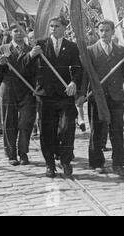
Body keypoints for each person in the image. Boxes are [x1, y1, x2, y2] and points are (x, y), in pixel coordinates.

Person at [25, 16, 83, 178]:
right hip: (45, 95)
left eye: (57, 26)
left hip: (65, 95)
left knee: (67, 128)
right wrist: (31, 55)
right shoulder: (40, 45)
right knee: (46, 130)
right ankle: (50, 164)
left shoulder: (71, 47)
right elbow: (26, 67)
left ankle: (65, 161)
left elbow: (78, 69)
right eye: (51, 26)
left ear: (64, 27)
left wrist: (74, 82)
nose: (53, 29)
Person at [77, 20, 124, 177]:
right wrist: (82, 94)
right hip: (98, 96)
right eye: (101, 30)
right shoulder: (90, 50)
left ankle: (119, 163)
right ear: (97, 31)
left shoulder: (120, 50)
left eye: (107, 30)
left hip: (116, 96)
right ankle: (97, 162)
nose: (104, 33)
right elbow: (85, 74)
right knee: (97, 130)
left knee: (117, 129)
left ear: (112, 31)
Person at [0, 24, 36, 166]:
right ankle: (11, 154)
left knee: (25, 122)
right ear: (10, 33)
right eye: (15, 31)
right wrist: (0, 63)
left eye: (21, 31)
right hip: (8, 88)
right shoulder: (3, 49)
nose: (18, 34)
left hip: (27, 89)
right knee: (9, 122)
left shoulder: (31, 50)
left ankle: (23, 152)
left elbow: (36, 70)